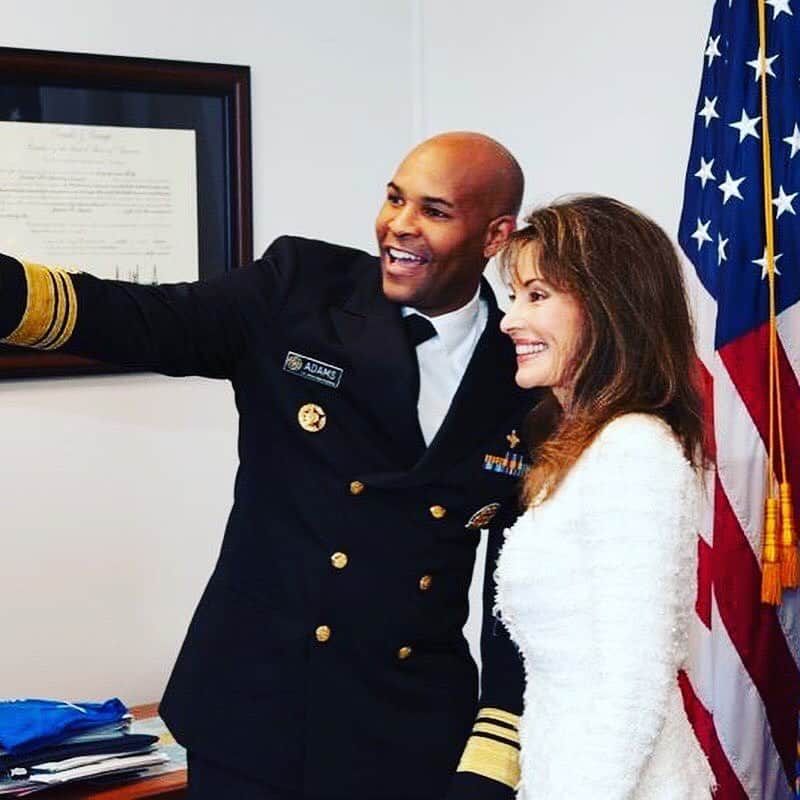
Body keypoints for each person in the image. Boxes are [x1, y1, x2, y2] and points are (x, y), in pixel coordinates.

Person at [0, 132, 536, 799]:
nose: (398, 224)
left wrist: (497, 747)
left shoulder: (524, 371)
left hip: (409, 725)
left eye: (434, 210)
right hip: (255, 707)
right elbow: (143, 317)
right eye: (394, 198)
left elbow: (519, 591)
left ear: (495, 235)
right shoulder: (300, 289)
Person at [495, 196, 716, 799]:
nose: (510, 319)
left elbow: (635, 682)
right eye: (514, 296)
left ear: (607, 308)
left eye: (536, 295)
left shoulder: (633, 451)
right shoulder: (584, 452)